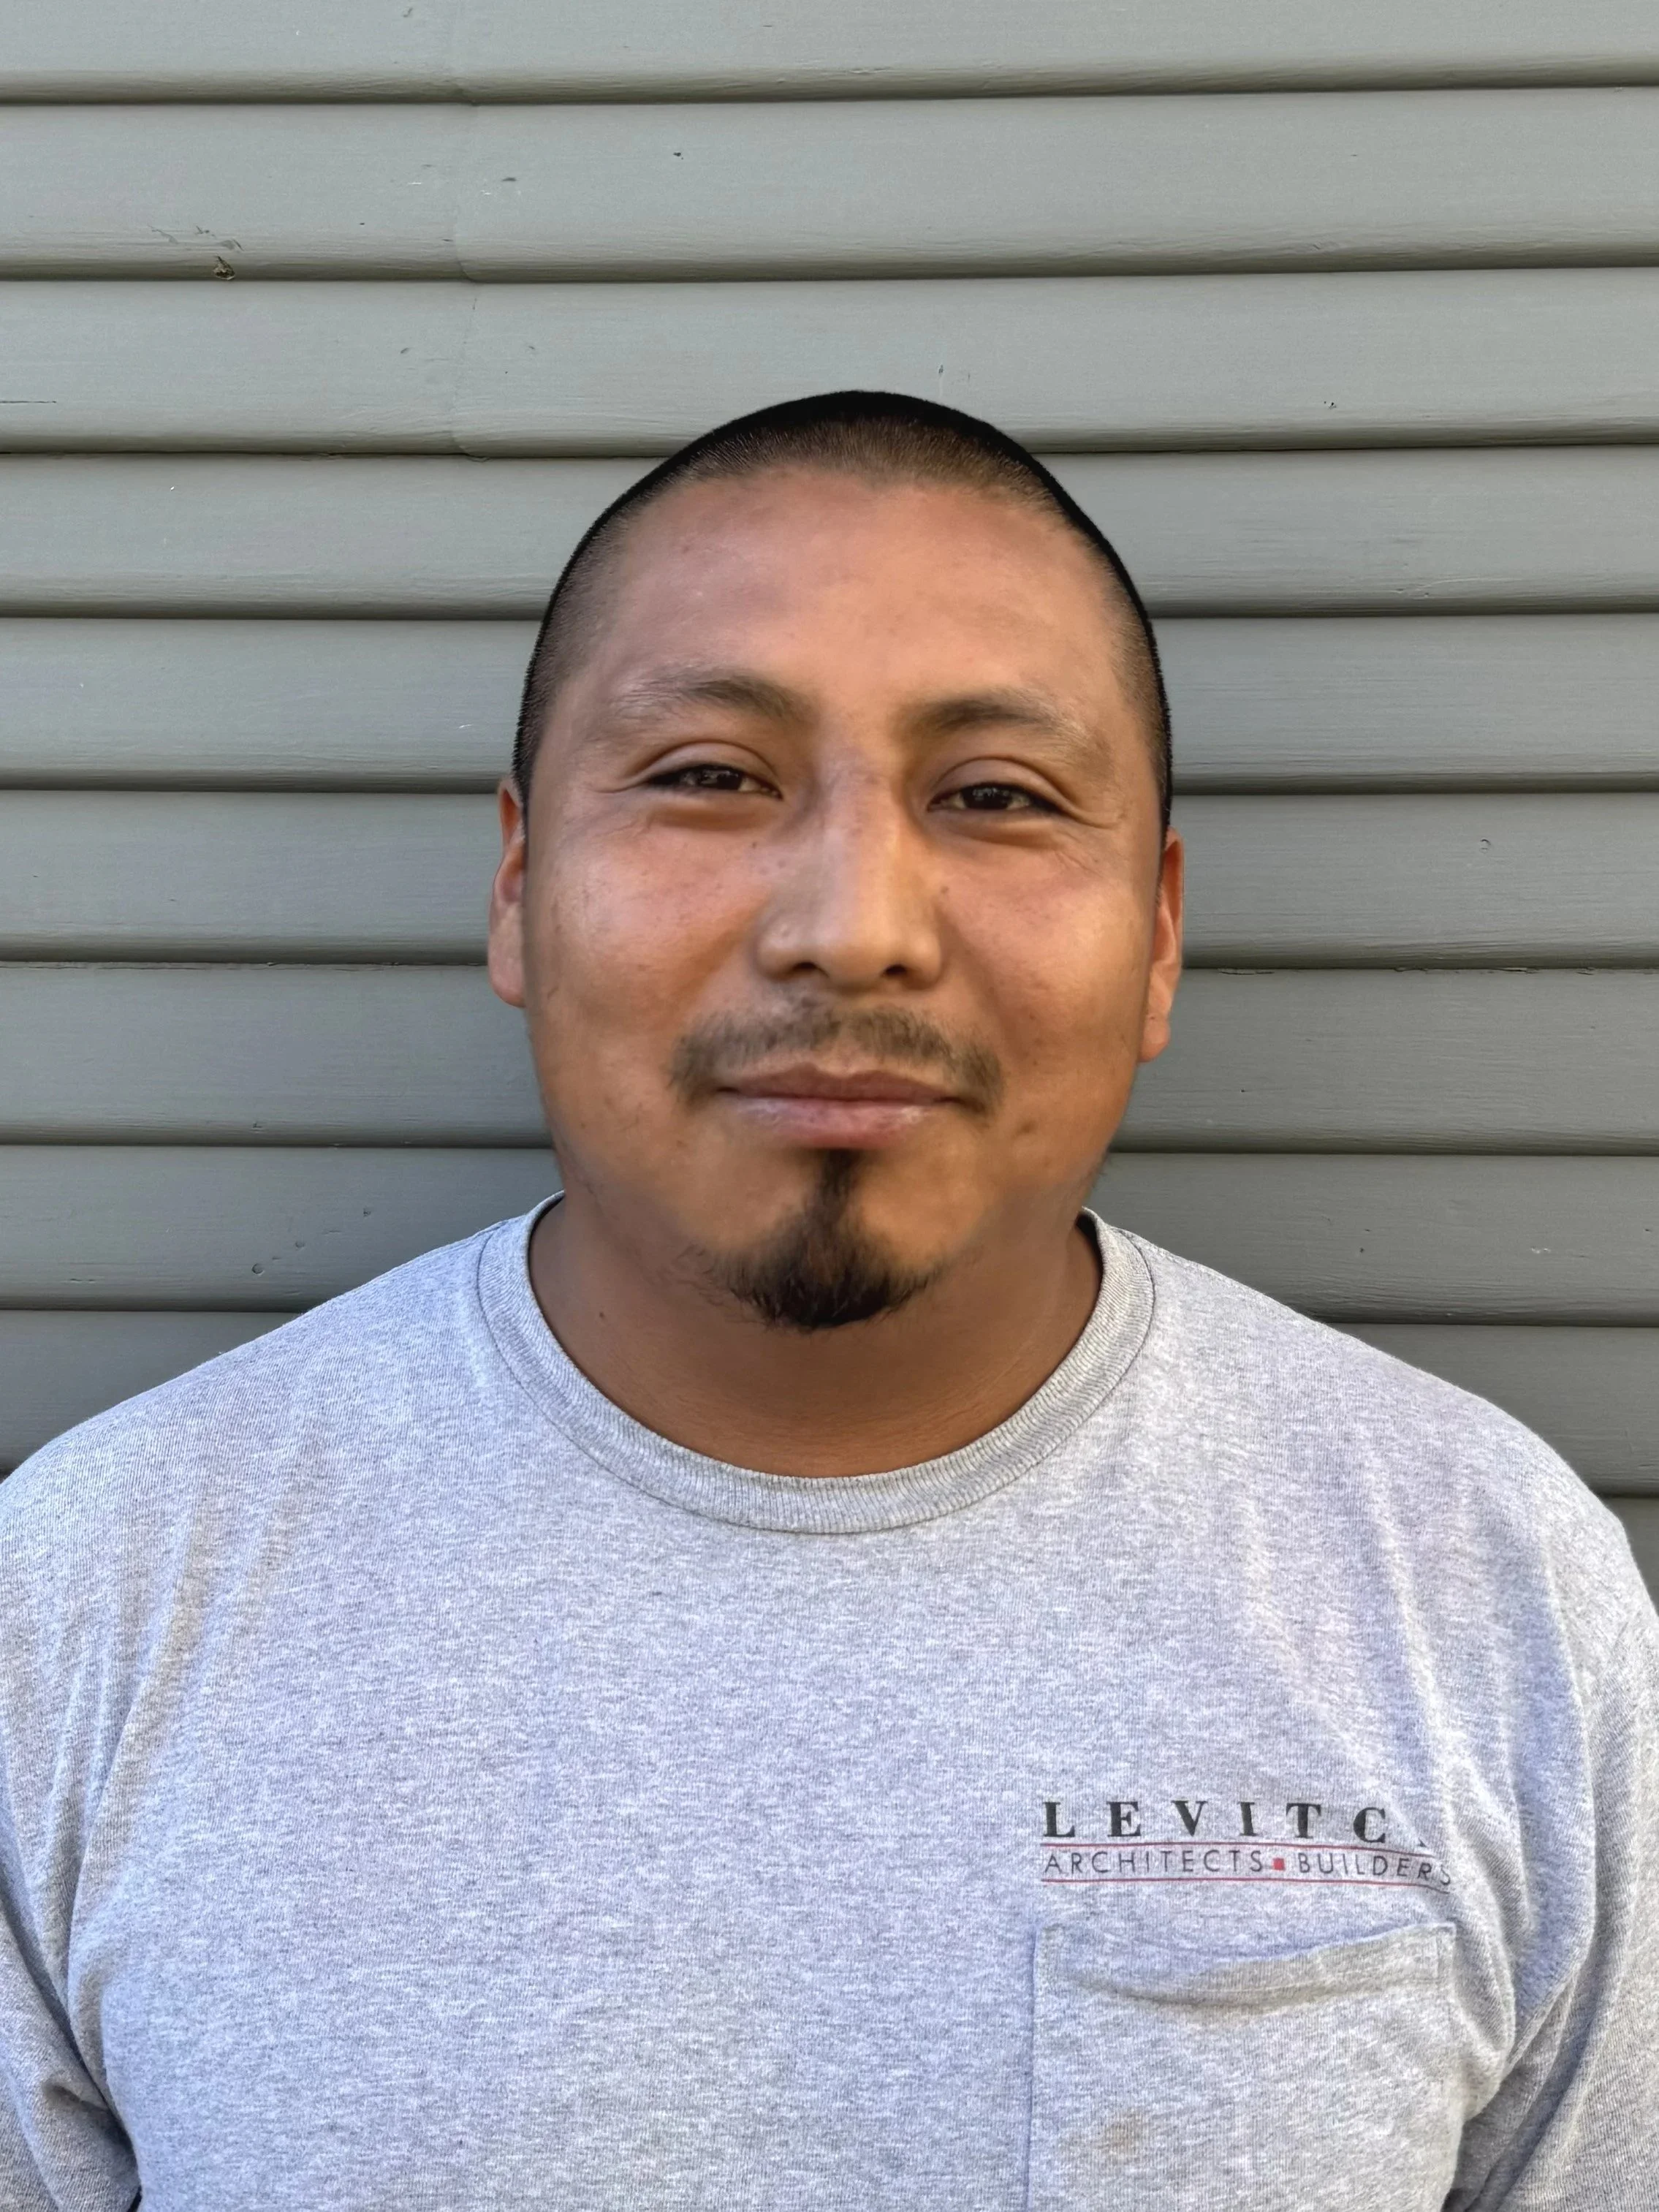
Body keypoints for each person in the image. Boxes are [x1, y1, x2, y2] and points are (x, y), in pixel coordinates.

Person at [1, 392, 1654, 2212]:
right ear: (521, 883)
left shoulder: (1479, 1583)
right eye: (711, 774)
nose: (854, 922)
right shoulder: (94, 1595)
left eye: (996, 797)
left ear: (1160, 933)